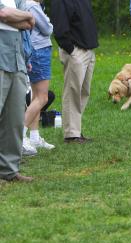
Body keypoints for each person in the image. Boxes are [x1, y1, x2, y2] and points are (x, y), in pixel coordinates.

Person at [51, 0, 98, 144]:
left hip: (88, 50)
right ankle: (71, 134)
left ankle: (76, 130)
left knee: (84, 92)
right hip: (74, 51)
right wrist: (70, 49)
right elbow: (59, 27)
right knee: (72, 92)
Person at [0, 0, 35, 182]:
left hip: (17, 60)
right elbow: (4, 14)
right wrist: (27, 16)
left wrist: (22, 18)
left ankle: (9, 170)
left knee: (14, 119)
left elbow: (27, 24)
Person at [22, 0, 54, 155]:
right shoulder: (33, 5)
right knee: (43, 98)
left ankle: (34, 137)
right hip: (39, 51)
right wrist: (47, 21)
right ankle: (19, 137)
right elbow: (47, 29)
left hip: (34, 50)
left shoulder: (25, 4)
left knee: (35, 97)